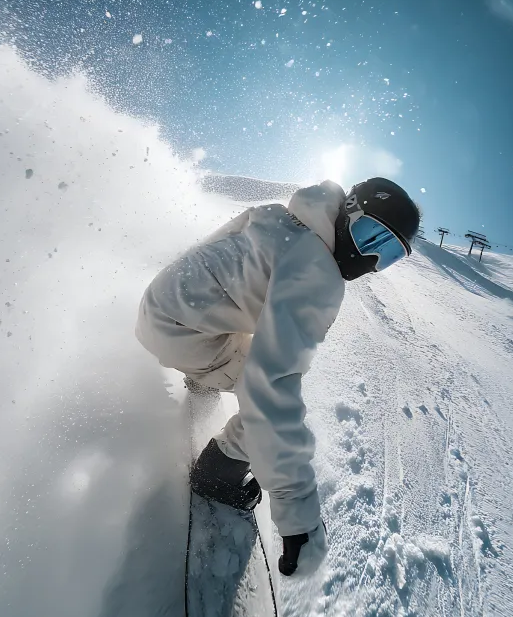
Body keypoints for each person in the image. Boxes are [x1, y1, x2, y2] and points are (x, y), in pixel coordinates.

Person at [136, 177, 420, 576]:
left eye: (388, 254)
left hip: (160, 306)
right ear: (349, 213)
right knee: (274, 405)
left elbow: (211, 255)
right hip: (184, 335)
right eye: (370, 235)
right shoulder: (317, 274)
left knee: (257, 355)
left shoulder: (279, 216)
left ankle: (203, 378)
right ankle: (217, 472)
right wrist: (297, 515)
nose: (369, 259)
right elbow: (271, 394)